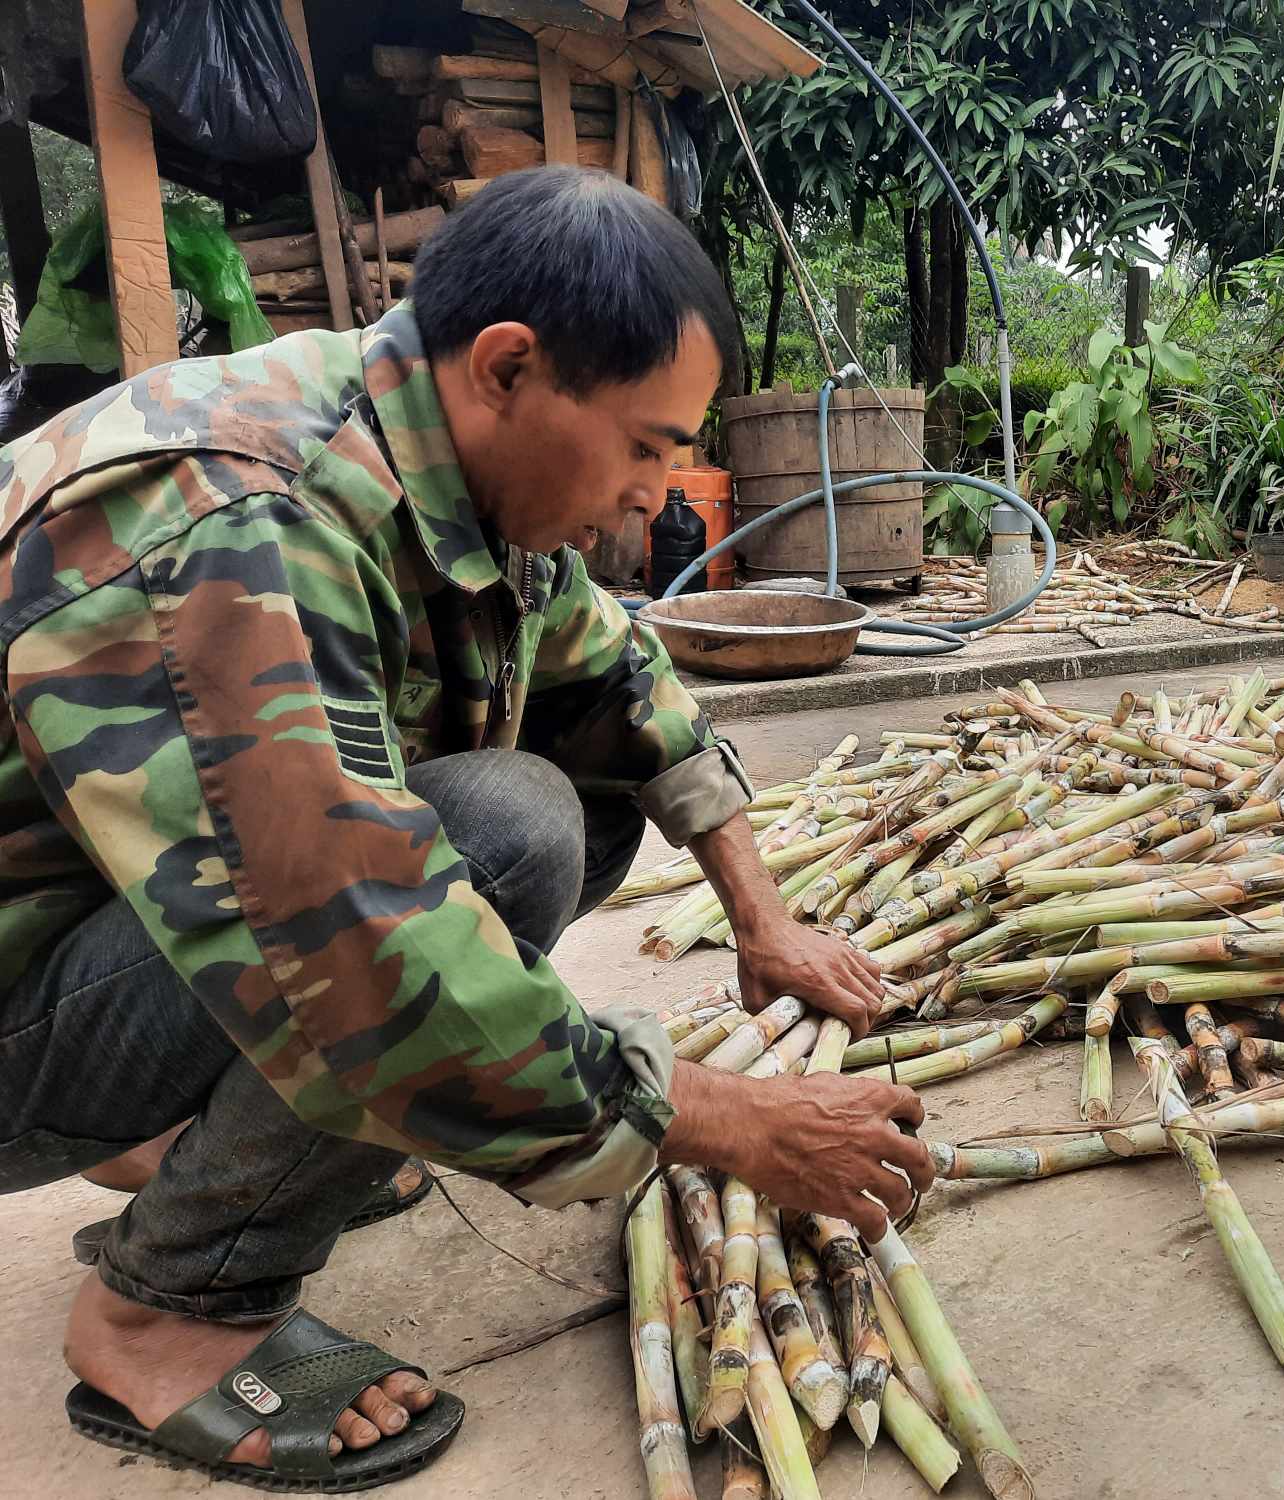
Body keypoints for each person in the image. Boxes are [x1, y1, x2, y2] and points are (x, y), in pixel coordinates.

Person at [0, 165, 934, 1490]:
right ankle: (166, 1311)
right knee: (500, 836)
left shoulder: (430, 442)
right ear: (509, 366)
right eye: (651, 444)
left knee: (563, 790)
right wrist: (732, 1121)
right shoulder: (242, 514)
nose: (662, 498)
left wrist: (763, 916)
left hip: (72, 947)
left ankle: (200, 1144)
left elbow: (619, 681)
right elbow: (366, 951)